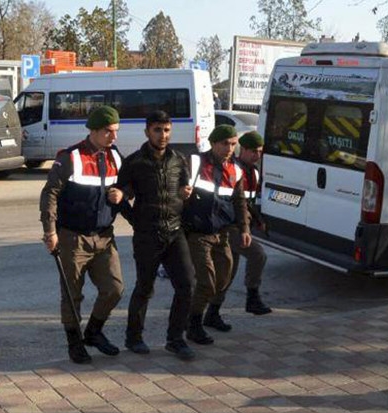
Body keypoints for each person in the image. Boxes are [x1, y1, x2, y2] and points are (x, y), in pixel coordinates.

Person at [40, 105, 125, 364]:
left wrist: (122, 194)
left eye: (116, 132)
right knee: (72, 294)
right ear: (95, 131)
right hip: (72, 238)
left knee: (114, 289)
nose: (114, 137)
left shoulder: (115, 156)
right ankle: (75, 342)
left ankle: (94, 332)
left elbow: (126, 186)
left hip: (104, 236)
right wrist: (50, 231)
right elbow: (50, 193)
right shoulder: (70, 157)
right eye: (109, 132)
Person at [110, 110, 196, 361]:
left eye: (167, 130)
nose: (163, 135)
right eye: (157, 130)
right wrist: (136, 220)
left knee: (186, 284)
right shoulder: (135, 162)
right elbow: (120, 194)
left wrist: (185, 194)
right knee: (145, 288)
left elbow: (183, 191)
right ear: (147, 131)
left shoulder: (179, 160)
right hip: (147, 235)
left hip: (175, 231)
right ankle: (134, 337)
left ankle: (176, 339)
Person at [184, 125, 251, 345]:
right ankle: (193, 324)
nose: (229, 148)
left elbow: (240, 202)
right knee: (206, 281)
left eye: (233, 144)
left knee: (224, 277)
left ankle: (212, 314)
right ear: (213, 143)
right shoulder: (196, 163)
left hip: (222, 234)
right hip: (197, 234)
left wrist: (244, 229)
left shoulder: (236, 170)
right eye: (225, 144)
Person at [204, 130, 272, 333]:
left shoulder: (255, 172)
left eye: (260, 151)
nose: (256, 155)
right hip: (229, 226)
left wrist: (258, 220)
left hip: (242, 226)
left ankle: (212, 313)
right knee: (258, 255)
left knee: (228, 274)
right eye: (252, 151)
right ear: (242, 150)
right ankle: (252, 297)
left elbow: (248, 202)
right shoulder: (233, 168)